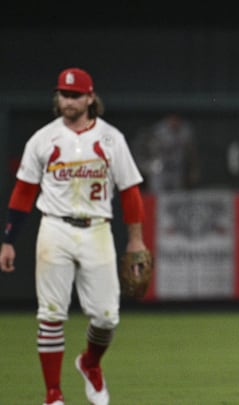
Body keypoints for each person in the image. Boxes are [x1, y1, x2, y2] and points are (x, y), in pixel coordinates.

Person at [0, 67, 148, 405]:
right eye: (64, 95)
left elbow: (130, 192)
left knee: (107, 317)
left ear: (90, 97)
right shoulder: (42, 139)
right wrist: (9, 239)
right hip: (55, 227)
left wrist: (136, 238)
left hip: (97, 229)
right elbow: (23, 192)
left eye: (75, 95)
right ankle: (53, 394)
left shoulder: (112, 139)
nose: (68, 101)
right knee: (51, 313)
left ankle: (90, 363)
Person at [132, 113, 200, 193]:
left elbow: (191, 152)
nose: (175, 121)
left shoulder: (185, 131)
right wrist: (145, 167)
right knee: (157, 194)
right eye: (172, 118)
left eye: (177, 119)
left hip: (176, 170)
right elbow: (144, 149)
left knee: (176, 195)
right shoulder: (158, 130)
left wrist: (193, 170)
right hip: (160, 170)